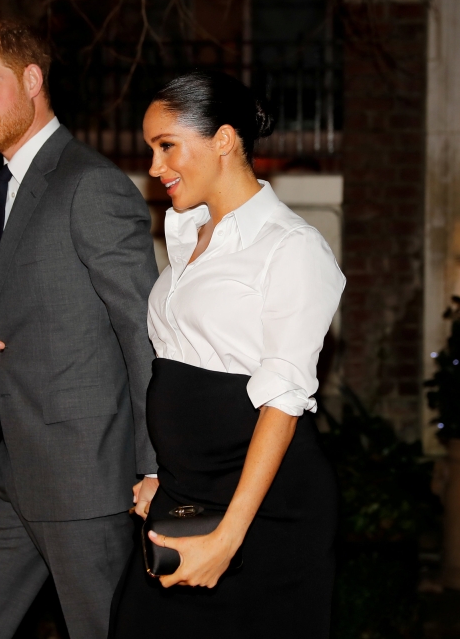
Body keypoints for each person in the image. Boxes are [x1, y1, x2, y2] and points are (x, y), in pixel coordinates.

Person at [0, 16, 160, 639]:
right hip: (12, 469)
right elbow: (16, 302)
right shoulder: (1, 187)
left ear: (32, 79)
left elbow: (143, 330)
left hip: (84, 480)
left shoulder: (90, 185)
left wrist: (155, 464)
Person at [110, 71, 344, 637]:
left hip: (262, 510)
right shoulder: (187, 236)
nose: (155, 166)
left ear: (223, 139)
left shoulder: (292, 248)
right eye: (150, 150)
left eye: (167, 146)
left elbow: (283, 401)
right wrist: (165, 475)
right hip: (189, 493)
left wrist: (228, 537)